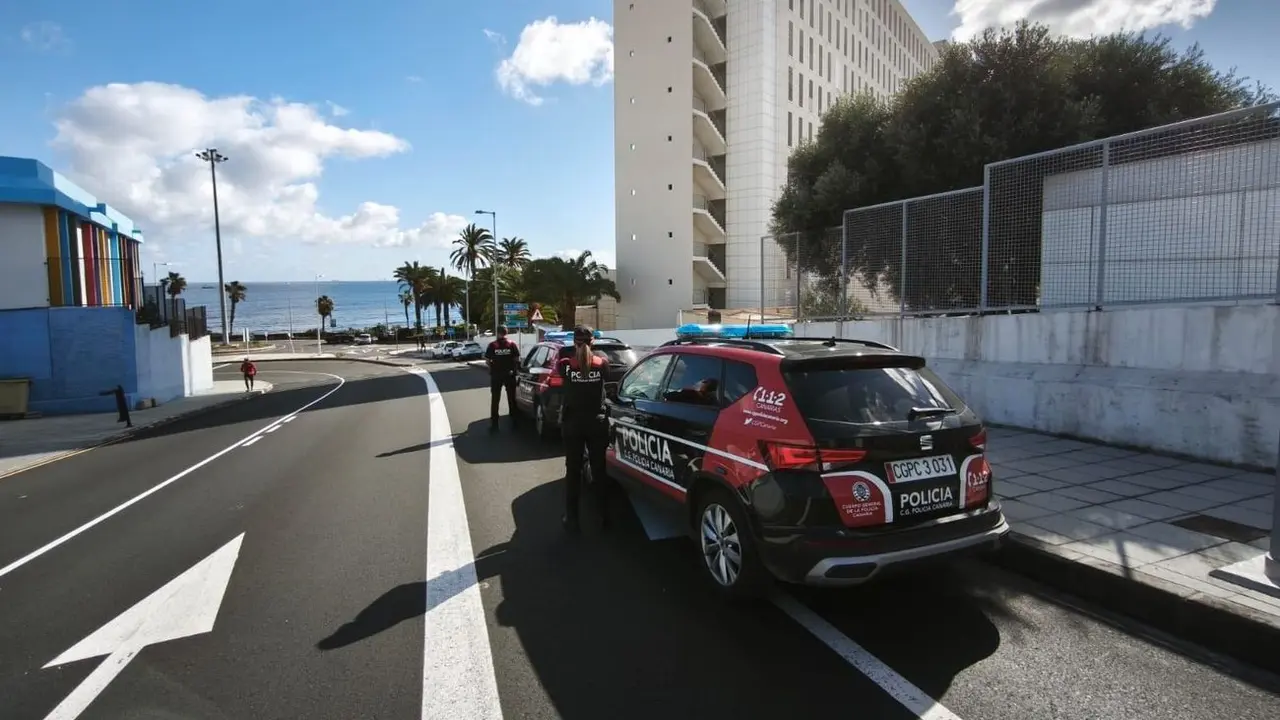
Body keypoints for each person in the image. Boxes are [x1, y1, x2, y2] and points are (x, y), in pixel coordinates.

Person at [556, 325, 611, 533]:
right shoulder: (602, 363)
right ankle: (603, 517)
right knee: (599, 470)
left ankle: (572, 519)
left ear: (574, 342)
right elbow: (606, 375)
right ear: (592, 342)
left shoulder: (565, 365)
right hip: (597, 423)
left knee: (573, 472)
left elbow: (561, 372)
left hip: (573, 424)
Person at [484, 326, 520, 432]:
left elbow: (487, 360)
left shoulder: (492, 345)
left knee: (495, 399)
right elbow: (516, 359)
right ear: (506, 332)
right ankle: (514, 422)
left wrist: (492, 368)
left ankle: (494, 425)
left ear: (497, 333)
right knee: (512, 398)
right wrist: (513, 368)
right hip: (509, 374)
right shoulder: (512, 344)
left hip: (496, 375)